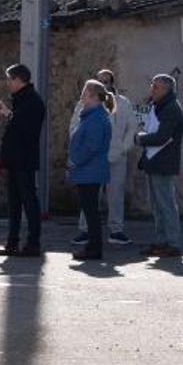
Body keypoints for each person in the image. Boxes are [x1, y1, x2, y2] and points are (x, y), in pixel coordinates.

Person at [68, 69, 137, 246]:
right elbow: (74, 127)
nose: (103, 84)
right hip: (93, 159)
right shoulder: (84, 104)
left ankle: (116, 229)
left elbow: (132, 128)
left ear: (112, 83)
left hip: (116, 156)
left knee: (116, 195)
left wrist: (123, 148)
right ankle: (85, 230)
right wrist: (79, 150)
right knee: (90, 197)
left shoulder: (123, 103)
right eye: (100, 81)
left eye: (106, 81)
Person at [0, 63, 46, 258]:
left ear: (18, 79)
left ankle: (33, 243)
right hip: (15, 160)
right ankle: (12, 242)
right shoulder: (22, 99)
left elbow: (25, 127)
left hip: (24, 160)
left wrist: (8, 114)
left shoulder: (33, 101)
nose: (7, 83)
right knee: (14, 204)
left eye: (10, 79)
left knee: (29, 201)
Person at [135, 74, 183, 258]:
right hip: (156, 161)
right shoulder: (161, 106)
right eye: (152, 85)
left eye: (155, 86)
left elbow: (162, 137)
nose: (152, 89)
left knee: (166, 204)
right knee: (158, 206)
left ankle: (172, 243)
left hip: (163, 162)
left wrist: (141, 139)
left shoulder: (170, 108)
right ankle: (162, 241)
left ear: (166, 89)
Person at [68, 80, 114, 261]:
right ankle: (92, 246)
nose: (81, 96)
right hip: (89, 171)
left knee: (91, 212)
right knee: (90, 211)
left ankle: (94, 248)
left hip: (90, 171)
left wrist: (75, 161)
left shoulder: (96, 118)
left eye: (84, 93)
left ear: (93, 96)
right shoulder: (92, 116)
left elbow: (92, 147)